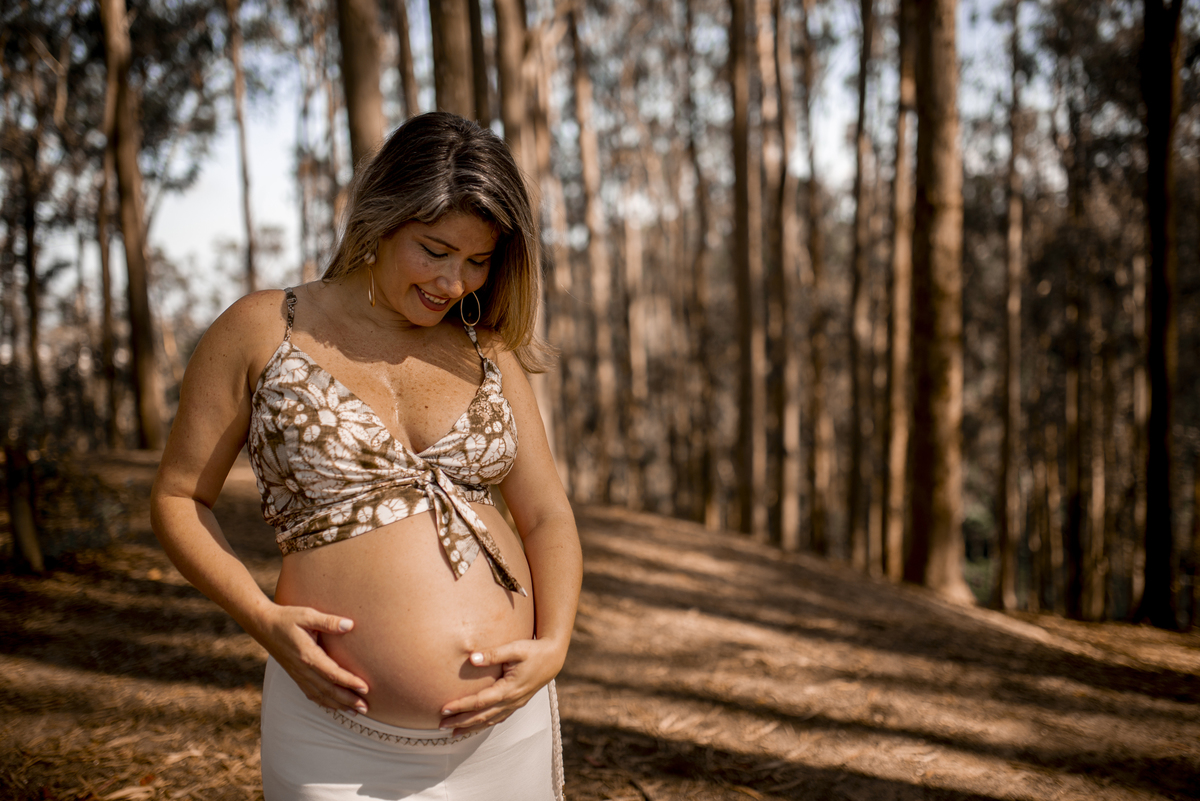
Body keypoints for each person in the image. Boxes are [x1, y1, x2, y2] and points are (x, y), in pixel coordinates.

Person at [151, 112, 582, 800]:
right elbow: (179, 498)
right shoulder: (263, 330)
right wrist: (260, 617)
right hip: (335, 740)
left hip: (505, 733)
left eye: (477, 261)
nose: (454, 282)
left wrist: (554, 643)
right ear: (382, 219)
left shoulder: (489, 352)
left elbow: (547, 515)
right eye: (434, 250)